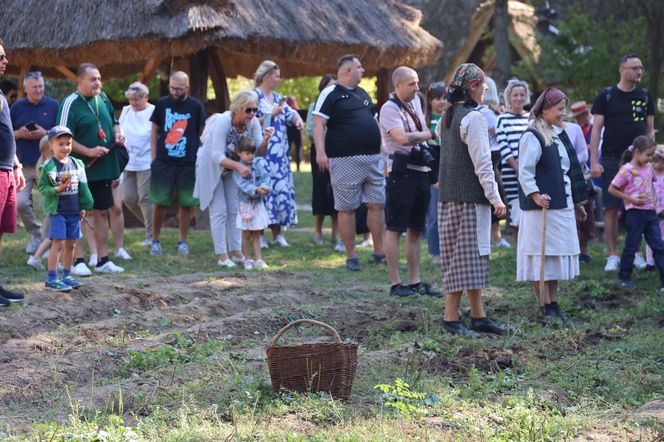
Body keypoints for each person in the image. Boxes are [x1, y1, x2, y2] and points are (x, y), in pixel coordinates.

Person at [438, 63, 506, 336]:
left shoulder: (450, 114)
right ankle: (450, 318)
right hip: (467, 200)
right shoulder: (474, 118)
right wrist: (496, 198)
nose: (486, 88)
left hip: (450, 199)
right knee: (462, 259)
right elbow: (483, 164)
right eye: (483, 84)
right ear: (473, 88)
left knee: (472, 258)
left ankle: (478, 316)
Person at [517, 88, 588, 322]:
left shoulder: (558, 133)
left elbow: (570, 170)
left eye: (563, 108)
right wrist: (535, 195)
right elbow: (525, 171)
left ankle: (554, 304)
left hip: (562, 205)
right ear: (545, 110)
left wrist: (577, 202)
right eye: (559, 109)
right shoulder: (532, 135)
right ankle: (544, 306)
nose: (563, 113)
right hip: (542, 208)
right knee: (542, 256)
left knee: (555, 256)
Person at [312, 54, 386, 271]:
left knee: (377, 205)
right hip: (345, 159)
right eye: (359, 67)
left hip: (373, 158)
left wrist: (382, 147)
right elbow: (318, 124)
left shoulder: (363, 93)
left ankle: (379, 252)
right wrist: (320, 153)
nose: (363, 70)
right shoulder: (330, 93)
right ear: (347, 71)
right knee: (347, 208)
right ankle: (351, 256)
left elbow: (375, 122)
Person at [589, 54, 655, 272]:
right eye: (635, 67)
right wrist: (594, 161)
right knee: (610, 207)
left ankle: (635, 252)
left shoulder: (645, 96)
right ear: (622, 70)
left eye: (641, 67)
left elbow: (649, 130)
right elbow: (596, 129)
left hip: (639, 162)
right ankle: (612, 254)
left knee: (637, 208)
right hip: (610, 159)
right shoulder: (606, 96)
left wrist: (652, 159)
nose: (639, 72)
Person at [58, 63, 125, 274]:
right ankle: (77, 261)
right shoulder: (70, 103)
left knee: (102, 211)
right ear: (80, 81)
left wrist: (118, 133)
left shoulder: (103, 98)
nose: (97, 82)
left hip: (103, 167)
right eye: (92, 79)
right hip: (76, 167)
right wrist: (87, 151)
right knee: (77, 213)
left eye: (99, 78)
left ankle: (103, 259)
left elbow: (114, 122)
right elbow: (61, 137)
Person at [379, 66, 440, 297]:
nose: (417, 87)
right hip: (401, 173)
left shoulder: (415, 103)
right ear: (398, 85)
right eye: (412, 84)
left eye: (417, 82)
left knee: (416, 229)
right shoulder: (388, 108)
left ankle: (415, 281)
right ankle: (396, 284)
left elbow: (420, 131)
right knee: (395, 229)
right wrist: (433, 135)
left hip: (421, 171)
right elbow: (403, 139)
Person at [194, 89, 272, 267]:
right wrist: (239, 166)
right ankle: (222, 256)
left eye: (254, 110)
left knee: (235, 209)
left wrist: (266, 140)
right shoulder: (224, 121)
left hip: (233, 170)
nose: (252, 114)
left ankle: (237, 251)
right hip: (212, 167)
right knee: (219, 210)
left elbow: (258, 152)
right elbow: (216, 156)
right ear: (238, 108)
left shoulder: (252, 124)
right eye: (248, 110)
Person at [150, 71, 206, 256]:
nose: (174, 91)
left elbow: (202, 132)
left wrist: (200, 156)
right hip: (164, 161)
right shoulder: (162, 103)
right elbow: (154, 129)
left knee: (186, 203)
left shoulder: (196, 106)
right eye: (172, 87)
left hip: (188, 162)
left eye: (179, 88)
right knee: (160, 202)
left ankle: (183, 241)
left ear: (187, 88)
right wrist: (154, 157)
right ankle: (155, 240)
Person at [37, 126, 93, 292]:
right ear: (51, 145)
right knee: (58, 244)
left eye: (68, 143)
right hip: (58, 212)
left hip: (74, 212)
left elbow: (83, 187)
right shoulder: (48, 167)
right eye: (60, 144)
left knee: (72, 244)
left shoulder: (77, 164)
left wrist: (84, 206)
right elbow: (42, 188)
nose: (65, 147)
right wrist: (56, 190)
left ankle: (67, 275)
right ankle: (52, 278)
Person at [254, 60, 303, 247]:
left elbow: (292, 113)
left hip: (280, 157)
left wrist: (297, 120)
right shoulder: (254, 97)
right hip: (261, 154)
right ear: (266, 76)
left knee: (280, 192)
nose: (279, 79)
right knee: (262, 192)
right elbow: (247, 121)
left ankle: (277, 234)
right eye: (276, 76)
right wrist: (270, 115)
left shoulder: (277, 98)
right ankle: (259, 235)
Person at [11, 71, 58, 254]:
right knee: (20, 202)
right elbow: (7, 133)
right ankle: (36, 234)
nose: (38, 90)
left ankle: (46, 244)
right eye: (34, 87)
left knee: (49, 204)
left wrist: (45, 133)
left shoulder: (54, 105)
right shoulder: (16, 107)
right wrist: (20, 133)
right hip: (23, 164)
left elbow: (62, 134)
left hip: (47, 163)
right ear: (25, 88)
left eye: (41, 86)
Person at [609, 136, 664, 290]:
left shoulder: (649, 168)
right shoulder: (627, 170)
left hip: (650, 213)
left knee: (658, 246)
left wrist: (653, 201)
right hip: (635, 214)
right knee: (631, 245)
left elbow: (652, 184)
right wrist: (629, 198)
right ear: (637, 152)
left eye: (652, 155)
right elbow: (612, 189)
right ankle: (624, 277)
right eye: (648, 155)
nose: (650, 158)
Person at [0, 38, 26, 306]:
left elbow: (6, 134)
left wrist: (16, 165)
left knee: (1, 230)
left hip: (7, 170)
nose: (5, 61)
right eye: (0, 58)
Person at [307, 74, 343, 251]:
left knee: (337, 193)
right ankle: (318, 232)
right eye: (329, 86)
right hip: (320, 153)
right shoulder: (315, 107)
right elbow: (310, 131)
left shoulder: (340, 106)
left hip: (338, 152)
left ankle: (336, 234)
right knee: (321, 191)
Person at [119, 82, 154, 247]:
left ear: (145, 97)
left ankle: (151, 235)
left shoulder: (153, 111)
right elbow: (119, 131)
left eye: (137, 99)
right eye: (131, 99)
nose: (133, 103)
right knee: (128, 197)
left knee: (145, 198)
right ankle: (154, 225)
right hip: (128, 161)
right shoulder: (126, 111)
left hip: (146, 160)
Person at [559, 117, 596, 263]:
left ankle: (583, 250)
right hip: (559, 178)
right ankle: (567, 252)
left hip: (578, 176)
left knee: (584, 215)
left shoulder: (574, 129)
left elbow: (584, 154)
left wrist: (569, 162)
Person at [496, 78, 530, 234]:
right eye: (515, 95)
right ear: (509, 97)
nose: (519, 98)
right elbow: (504, 148)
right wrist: (518, 169)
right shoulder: (502, 119)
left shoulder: (531, 119)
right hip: (512, 172)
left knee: (530, 210)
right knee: (516, 212)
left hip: (531, 172)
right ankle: (519, 254)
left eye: (522, 95)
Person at [477, 76, 509, 248]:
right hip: (490, 158)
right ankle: (495, 237)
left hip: (489, 158)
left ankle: (493, 236)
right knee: (494, 196)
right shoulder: (487, 113)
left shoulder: (481, 112)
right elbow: (499, 133)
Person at [233, 137, 271, 269]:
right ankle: (247, 259)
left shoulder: (258, 165)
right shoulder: (237, 169)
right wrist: (256, 189)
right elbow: (242, 184)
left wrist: (266, 187)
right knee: (246, 234)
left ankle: (259, 259)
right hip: (245, 205)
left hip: (258, 205)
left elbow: (266, 177)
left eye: (252, 153)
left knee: (257, 232)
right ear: (239, 153)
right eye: (247, 153)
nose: (250, 156)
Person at [424, 81, 448, 264]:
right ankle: (435, 252)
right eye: (437, 98)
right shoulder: (425, 123)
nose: (442, 102)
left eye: (445, 98)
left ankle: (449, 250)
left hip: (449, 171)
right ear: (430, 101)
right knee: (433, 215)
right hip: (432, 175)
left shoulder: (450, 119)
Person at [26, 136, 54, 270]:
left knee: (52, 234)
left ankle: (53, 260)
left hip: (52, 206)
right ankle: (37, 257)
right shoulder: (49, 166)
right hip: (54, 206)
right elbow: (53, 187)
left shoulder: (46, 164)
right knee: (52, 235)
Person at [646, 145, 664, 270]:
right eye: (651, 161)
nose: (653, 164)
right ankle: (650, 262)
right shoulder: (649, 176)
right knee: (651, 237)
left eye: (656, 161)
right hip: (652, 211)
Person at [286, 96, 303, 172]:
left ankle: (288, 166)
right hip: (297, 134)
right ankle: (298, 167)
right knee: (298, 151)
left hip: (289, 134)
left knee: (288, 151)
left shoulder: (287, 112)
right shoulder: (296, 112)